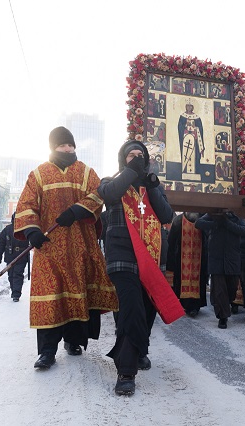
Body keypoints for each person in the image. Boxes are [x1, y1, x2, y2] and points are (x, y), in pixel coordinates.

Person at [14, 126, 118, 370]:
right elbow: (26, 204)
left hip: (80, 245)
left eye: (70, 145)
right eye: (62, 145)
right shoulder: (38, 174)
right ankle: (47, 351)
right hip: (48, 249)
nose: (67, 149)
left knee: (77, 291)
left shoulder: (85, 172)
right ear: (53, 147)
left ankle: (74, 341)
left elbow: (98, 194)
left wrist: (77, 210)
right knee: (50, 297)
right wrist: (32, 231)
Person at [97, 139, 174, 396]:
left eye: (140, 155)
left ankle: (140, 349)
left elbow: (166, 216)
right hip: (123, 256)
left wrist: (151, 186)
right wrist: (131, 171)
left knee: (147, 309)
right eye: (131, 155)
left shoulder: (152, 186)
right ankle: (126, 371)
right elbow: (108, 195)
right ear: (123, 159)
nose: (137, 157)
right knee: (131, 309)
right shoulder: (112, 180)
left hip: (151, 257)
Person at [195, 210, 245, 330]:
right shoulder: (212, 214)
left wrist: (227, 223)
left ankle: (226, 305)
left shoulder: (237, 215)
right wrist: (215, 223)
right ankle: (222, 317)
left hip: (232, 258)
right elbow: (198, 223)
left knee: (232, 288)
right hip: (216, 258)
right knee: (219, 290)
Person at [167, 212, 209, 318]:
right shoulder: (178, 221)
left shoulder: (203, 220)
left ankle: (195, 306)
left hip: (199, 260)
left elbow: (208, 238)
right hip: (181, 259)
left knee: (198, 281)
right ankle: (185, 304)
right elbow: (171, 242)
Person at [0, 213, 30, 302]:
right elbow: (1, 242)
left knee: (18, 274)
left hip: (22, 255)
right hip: (10, 255)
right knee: (11, 274)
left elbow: (32, 239)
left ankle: (16, 294)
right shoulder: (7, 230)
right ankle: (14, 291)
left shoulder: (25, 229)